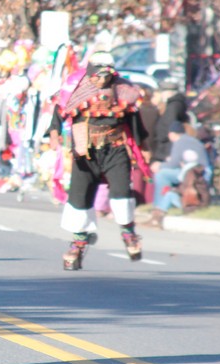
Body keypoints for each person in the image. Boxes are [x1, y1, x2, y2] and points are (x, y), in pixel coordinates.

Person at [48, 51, 150, 270]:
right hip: (85, 150)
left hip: (115, 148)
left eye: (106, 73)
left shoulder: (124, 90)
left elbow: (134, 121)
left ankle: (128, 232)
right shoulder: (75, 86)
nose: (102, 79)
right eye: (97, 73)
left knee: (122, 192)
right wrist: (55, 132)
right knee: (79, 196)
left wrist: (143, 147)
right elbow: (59, 111)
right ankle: (78, 243)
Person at [145, 121, 211, 228]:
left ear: (171, 134)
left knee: (161, 175)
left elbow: (173, 164)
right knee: (168, 183)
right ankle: (160, 209)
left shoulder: (180, 142)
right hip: (199, 174)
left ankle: (157, 207)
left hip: (193, 175)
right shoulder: (192, 140)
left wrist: (160, 166)